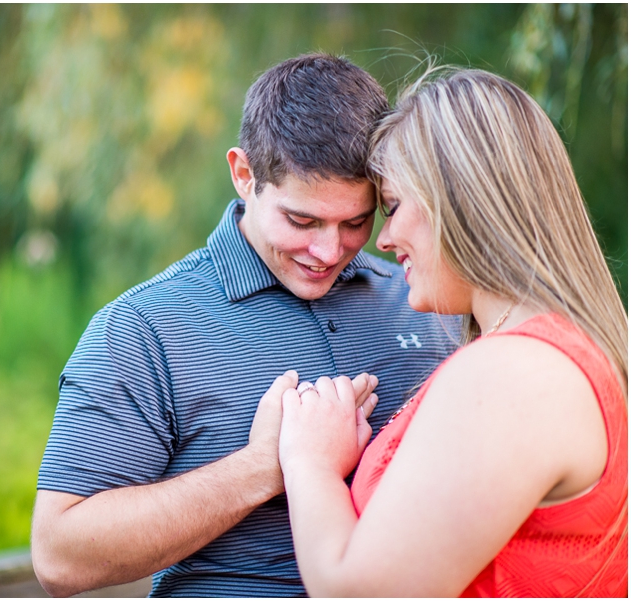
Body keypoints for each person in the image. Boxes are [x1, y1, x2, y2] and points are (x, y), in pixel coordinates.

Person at [31, 53, 459, 597]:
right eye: (301, 221)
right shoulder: (143, 328)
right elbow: (59, 555)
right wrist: (261, 468)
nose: (329, 251)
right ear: (243, 173)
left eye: (357, 221)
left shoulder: (425, 298)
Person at [268, 67, 628, 597]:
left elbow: (363, 593)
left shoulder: (514, 374)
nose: (384, 239)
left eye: (392, 207)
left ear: (459, 198)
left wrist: (309, 462)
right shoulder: (551, 354)